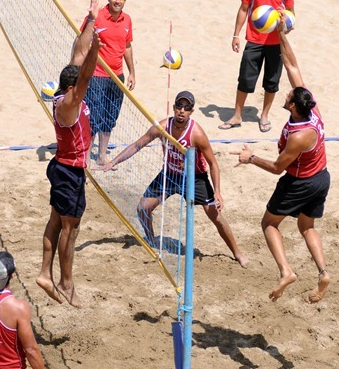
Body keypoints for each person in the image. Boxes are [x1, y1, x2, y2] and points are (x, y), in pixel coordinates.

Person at [232, 11, 330, 303]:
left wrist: (251, 159)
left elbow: (277, 168)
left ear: (293, 108)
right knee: (306, 225)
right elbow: (291, 64)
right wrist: (281, 36)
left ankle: (286, 271)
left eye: (288, 97)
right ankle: (323, 272)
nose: (287, 94)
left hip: (299, 183)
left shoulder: (299, 136)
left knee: (269, 223)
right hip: (322, 178)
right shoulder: (312, 110)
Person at [102, 91, 249, 268]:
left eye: (186, 107)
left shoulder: (197, 134)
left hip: (195, 178)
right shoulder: (163, 127)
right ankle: (152, 242)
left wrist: (218, 192)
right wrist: (113, 161)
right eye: (179, 106)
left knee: (215, 217)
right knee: (142, 208)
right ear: (174, 108)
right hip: (170, 174)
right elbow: (137, 145)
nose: (182, 110)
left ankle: (237, 252)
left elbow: (213, 163)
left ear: (191, 111)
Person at [36, 0, 102, 308]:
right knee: (70, 229)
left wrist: (90, 18)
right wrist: (98, 51)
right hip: (69, 172)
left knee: (55, 220)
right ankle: (65, 281)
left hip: (62, 168)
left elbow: (78, 52)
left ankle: (45, 273)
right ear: (72, 89)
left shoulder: (65, 91)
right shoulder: (70, 104)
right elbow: (86, 71)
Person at [219, 0, 294, 133]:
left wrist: (287, 24)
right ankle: (237, 115)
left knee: (271, 81)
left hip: (276, 42)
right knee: (245, 78)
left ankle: (265, 116)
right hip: (254, 40)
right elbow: (244, 9)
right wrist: (236, 35)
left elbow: (292, 14)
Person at [80, 0, 136, 167]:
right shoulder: (98, 17)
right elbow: (83, 40)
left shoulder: (127, 20)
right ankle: (87, 156)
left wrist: (132, 73)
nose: (118, 2)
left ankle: (102, 155)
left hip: (117, 77)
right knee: (93, 117)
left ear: (125, 1)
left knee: (110, 117)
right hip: (97, 75)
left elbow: (127, 47)